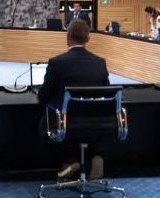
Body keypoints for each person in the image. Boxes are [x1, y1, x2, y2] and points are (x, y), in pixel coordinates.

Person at [38, 19, 109, 180]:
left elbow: (43, 95)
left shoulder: (57, 63)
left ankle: (70, 161)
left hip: (65, 122)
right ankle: (93, 156)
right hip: (96, 122)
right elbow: (106, 93)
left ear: (67, 37)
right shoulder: (100, 63)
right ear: (88, 38)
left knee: (44, 123)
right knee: (84, 129)